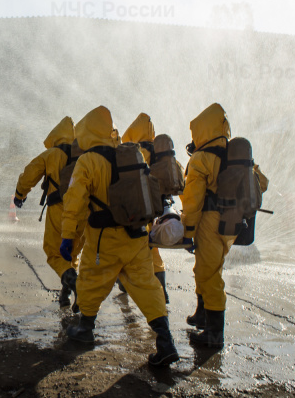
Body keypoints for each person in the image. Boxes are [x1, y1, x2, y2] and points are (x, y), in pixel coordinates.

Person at [60, 106, 179, 367]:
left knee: (92, 279)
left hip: (105, 239)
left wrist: (68, 236)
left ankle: (85, 329)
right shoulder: (130, 154)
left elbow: (74, 202)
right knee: (147, 287)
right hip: (137, 237)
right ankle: (166, 341)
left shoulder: (88, 161)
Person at [180, 103, 268, 348]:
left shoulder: (200, 159)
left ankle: (214, 335)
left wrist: (187, 231)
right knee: (206, 269)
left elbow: (193, 200)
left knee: (210, 276)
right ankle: (202, 316)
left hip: (208, 223)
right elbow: (263, 182)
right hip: (230, 223)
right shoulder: (235, 155)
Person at [14, 117, 85, 307]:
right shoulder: (85, 155)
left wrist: (19, 194)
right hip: (83, 211)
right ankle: (66, 293)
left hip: (60, 209)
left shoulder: (52, 154)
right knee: (72, 253)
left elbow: (30, 174)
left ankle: (74, 283)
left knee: (53, 252)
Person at [121, 113, 170, 303]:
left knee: (130, 247)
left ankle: (128, 284)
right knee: (153, 249)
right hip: (158, 208)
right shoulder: (162, 152)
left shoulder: (136, 152)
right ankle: (162, 289)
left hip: (140, 208)